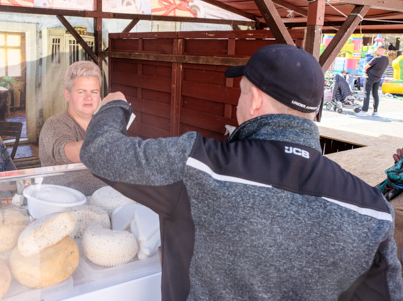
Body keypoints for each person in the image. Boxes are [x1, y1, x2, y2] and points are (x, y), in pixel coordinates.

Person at [80, 44, 403, 300]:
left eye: (243, 91)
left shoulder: (198, 165)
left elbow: (100, 152)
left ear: (257, 100)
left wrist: (114, 107)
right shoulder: (373, 209)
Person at [38, 61, 106, 195]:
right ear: (67, 95)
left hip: (101, 203)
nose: (88, 98)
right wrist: (113, 142)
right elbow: (67, 151)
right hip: (62, 205)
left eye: (94, 91)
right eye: (81, 92)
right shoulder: (55, 124)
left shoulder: (102, 124)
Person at [356, 45, 390, 117]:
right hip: (378, 78)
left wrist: (365, 72)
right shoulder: (387, 59)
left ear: (381, 50)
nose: (375, 52)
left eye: (376, 50)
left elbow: (366, 67)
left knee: (366, 94)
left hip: (369, 78)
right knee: (375, 95)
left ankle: (364, 111)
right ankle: (375, 111)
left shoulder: (376, 59)